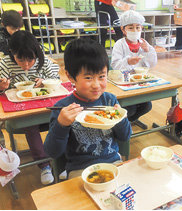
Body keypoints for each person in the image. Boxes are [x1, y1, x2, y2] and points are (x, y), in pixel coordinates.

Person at [44, 38, 132, 179]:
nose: (96, 85)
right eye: (89, 78)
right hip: (80, 169)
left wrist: (121, 119)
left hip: (113, 162)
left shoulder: (110, 100)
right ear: (70, 76)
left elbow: (125, 136)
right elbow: (52, 152)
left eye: (102, 76)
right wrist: (61, 125)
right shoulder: (63, 108)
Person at [0, 30, 60, 185]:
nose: (26, 65)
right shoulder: (5, 64)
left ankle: (62, 159)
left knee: (62, 121)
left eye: (30, 60)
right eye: (20, 60)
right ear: (12, 53)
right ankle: (44, 165)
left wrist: (45, 80)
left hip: (46, 109)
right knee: (30, 125)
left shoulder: (43, 61)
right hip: (24, 112)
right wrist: (1, 87)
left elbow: (57, 80)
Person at [111, 10, 157, 128]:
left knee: (147, 106)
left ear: (141, 28)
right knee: (130, 108)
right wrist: (127, 61)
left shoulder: (144, 43)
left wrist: (148, 50)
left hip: (140, 82)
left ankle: (129, 120)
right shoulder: (119, 44)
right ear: (123, 30)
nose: (135, 31)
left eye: (138, 27)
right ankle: (123, 122)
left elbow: (152, 63)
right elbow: (115, 64)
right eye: (130, 28)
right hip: (124, 81)